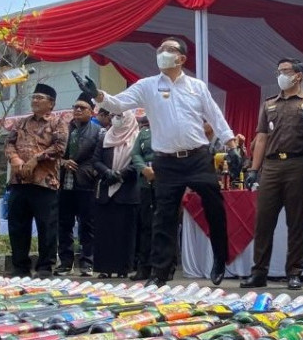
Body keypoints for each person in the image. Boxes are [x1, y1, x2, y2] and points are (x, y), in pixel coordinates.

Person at [78, 37, 242, 287]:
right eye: (160, 49)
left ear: (181, 59)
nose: (162, 53)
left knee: (215, 208)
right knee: (163, 217)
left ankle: (220, 260)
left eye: (169, 50)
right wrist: (97, 94)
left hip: (198, 157)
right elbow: (119, 103)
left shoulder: (197, 86)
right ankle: (159, 272)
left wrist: (231, 146)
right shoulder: (147, 85)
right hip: (165, 161)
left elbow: (215, 116)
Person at [242, 58, 303, 290]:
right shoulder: (269, 104)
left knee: (296, 221)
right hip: (272, 166)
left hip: (299, 163)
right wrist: (254, 170)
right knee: (263, 221)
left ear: (299, 75)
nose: (281, 75)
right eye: (279, 71)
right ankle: (259, 272)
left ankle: (294, 272)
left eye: (286, 71)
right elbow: (262, 137)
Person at [4, 83, 69, 277]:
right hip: (19, 181)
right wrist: (14, 158)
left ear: (51, 103)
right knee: (17, 225)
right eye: (33, 97)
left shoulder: (58, 123)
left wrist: (35, 159)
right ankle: (20, 267)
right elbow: (9, 143)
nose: (35, 101)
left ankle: (44, 267)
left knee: (46, 226)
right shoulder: (21, 122)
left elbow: (60, 148)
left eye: (40, 98)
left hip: (44, 183)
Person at [55, 93, 102, 277]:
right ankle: (66, 263)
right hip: (64, 182)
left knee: (87, 225)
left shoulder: (98, 132)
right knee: (64, 224)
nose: (77, 110)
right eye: (75, 107)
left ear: (92, 112)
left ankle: (87, 262)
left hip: (86, 182)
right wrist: (63, 162)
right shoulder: (64, 130)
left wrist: (88, 171)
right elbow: (55, 153)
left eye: (82, 108)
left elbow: (98, 158)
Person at [93, 110, 140, 278]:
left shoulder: (137, 138)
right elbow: (96, 160)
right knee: (105, 231)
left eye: (120, 116)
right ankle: (104, 268)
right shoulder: (105, 137)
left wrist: (121, 174)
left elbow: (138, 163)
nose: (116, 119)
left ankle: (123, 268)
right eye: (114, 116)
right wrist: (108, 173)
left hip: (127, 191)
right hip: (106, 188)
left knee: (125, 232)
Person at [131, 115, 155, 281]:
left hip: (166, 180)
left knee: (164, 225)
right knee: (145, 225)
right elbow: (135, 154)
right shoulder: (144, 132)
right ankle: (144, 267)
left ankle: (163, 267)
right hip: (146, 182)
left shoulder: (171, 129)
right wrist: (143, 168)